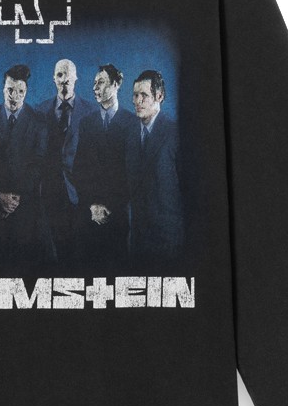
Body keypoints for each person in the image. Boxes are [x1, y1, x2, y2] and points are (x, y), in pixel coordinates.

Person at [0, 64, 52, 265]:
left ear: (26, 92)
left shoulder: (38, 122)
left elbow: (39, 164)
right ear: (3, 89)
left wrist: (13, 199)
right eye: (10, 90)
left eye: (20, 91)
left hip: (26, 207)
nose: (14, 96)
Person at [75, 64, 141, 266]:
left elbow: (134, 173)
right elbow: (78, 169)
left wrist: (109, 206)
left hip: (117, 217)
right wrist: (92, 205)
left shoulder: (132, 123)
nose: (95, 88)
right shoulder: (86, 123)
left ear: (116, 84)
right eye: (94, 83)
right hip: (89, 216)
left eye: (101, 82)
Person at [125, 69, 184, 263]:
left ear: (159, 96)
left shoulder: (175, 134)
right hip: (137, 241)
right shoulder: (130, 134)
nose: (137, 101)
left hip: (169, 241)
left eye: (144, 95)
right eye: (135, 95)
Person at [33, 58, 85, 265]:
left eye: (68, 74)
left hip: (78, 194)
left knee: (77, 256)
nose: (65, 79)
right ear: (54, 79)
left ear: (76, 78)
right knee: (49, 255)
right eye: (60, 75)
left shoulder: (89, 111)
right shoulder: (39, 111)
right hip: (47, 194)